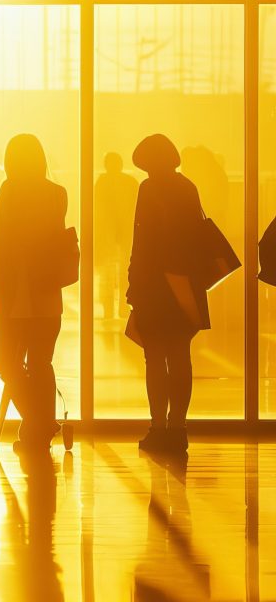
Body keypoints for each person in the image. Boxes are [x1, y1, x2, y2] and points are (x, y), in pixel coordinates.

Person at [0, 134, 68, 453]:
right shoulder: (57, 193)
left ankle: (37, 423)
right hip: (46, 293)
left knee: (6, 362)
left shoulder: (9, 190)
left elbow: (4, 238)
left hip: (12, 291)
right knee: (41, 362)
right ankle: (39, 429)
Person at [127, 134, 209, 454]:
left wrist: (133, 280)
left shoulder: (148, 189)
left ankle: (157, 426)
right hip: (184, 285)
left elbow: (141, 240)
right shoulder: (187, 188)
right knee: (179, 357)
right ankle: (178, 427)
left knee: (154, 358)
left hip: (153, 286)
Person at [94, 152, 138, 319]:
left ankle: (109, 309)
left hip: (110, 234)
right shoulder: (130, 183)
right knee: (123, 272)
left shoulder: (101, 184)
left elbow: (97, 210)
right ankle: (122, 308)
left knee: (109, 273)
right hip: (123, 233)